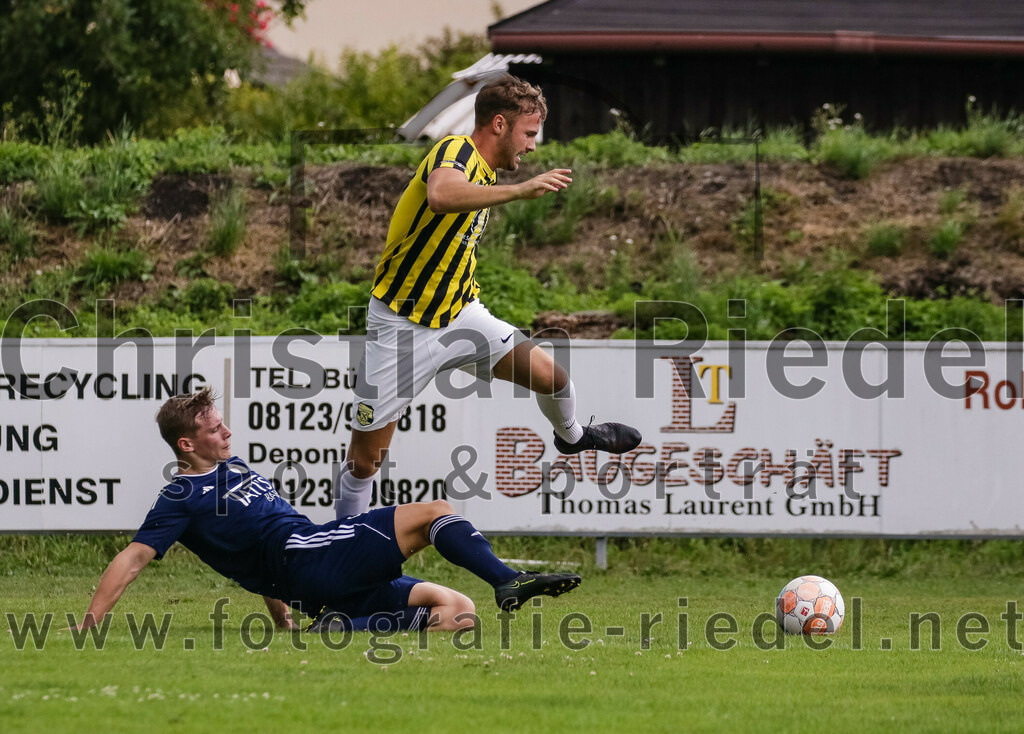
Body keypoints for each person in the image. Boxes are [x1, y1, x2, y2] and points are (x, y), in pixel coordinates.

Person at [337, 74, 642, 517]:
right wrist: (520, 191)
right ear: (499, 124)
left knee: (554, 378)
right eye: (529, 133)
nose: (533, 147)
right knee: (365, 462)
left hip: (461, 316)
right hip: (401, 326)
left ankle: (573, 437)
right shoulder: (454, 150)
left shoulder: (487, 174)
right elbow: (441, 196)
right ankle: (341, 555)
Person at [70, 388, 580, 633]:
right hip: (309, 557)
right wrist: (92, 620)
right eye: (213, 430)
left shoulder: (234, 465)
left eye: (223, 424)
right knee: (435, 512)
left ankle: (339, 627)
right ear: (187, 443)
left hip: (310, 573)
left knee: (460, 613)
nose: (227, 433)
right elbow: (134, 557)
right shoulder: (180, 498)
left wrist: (283, 616)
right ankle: (508, 580)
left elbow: (255, 559)